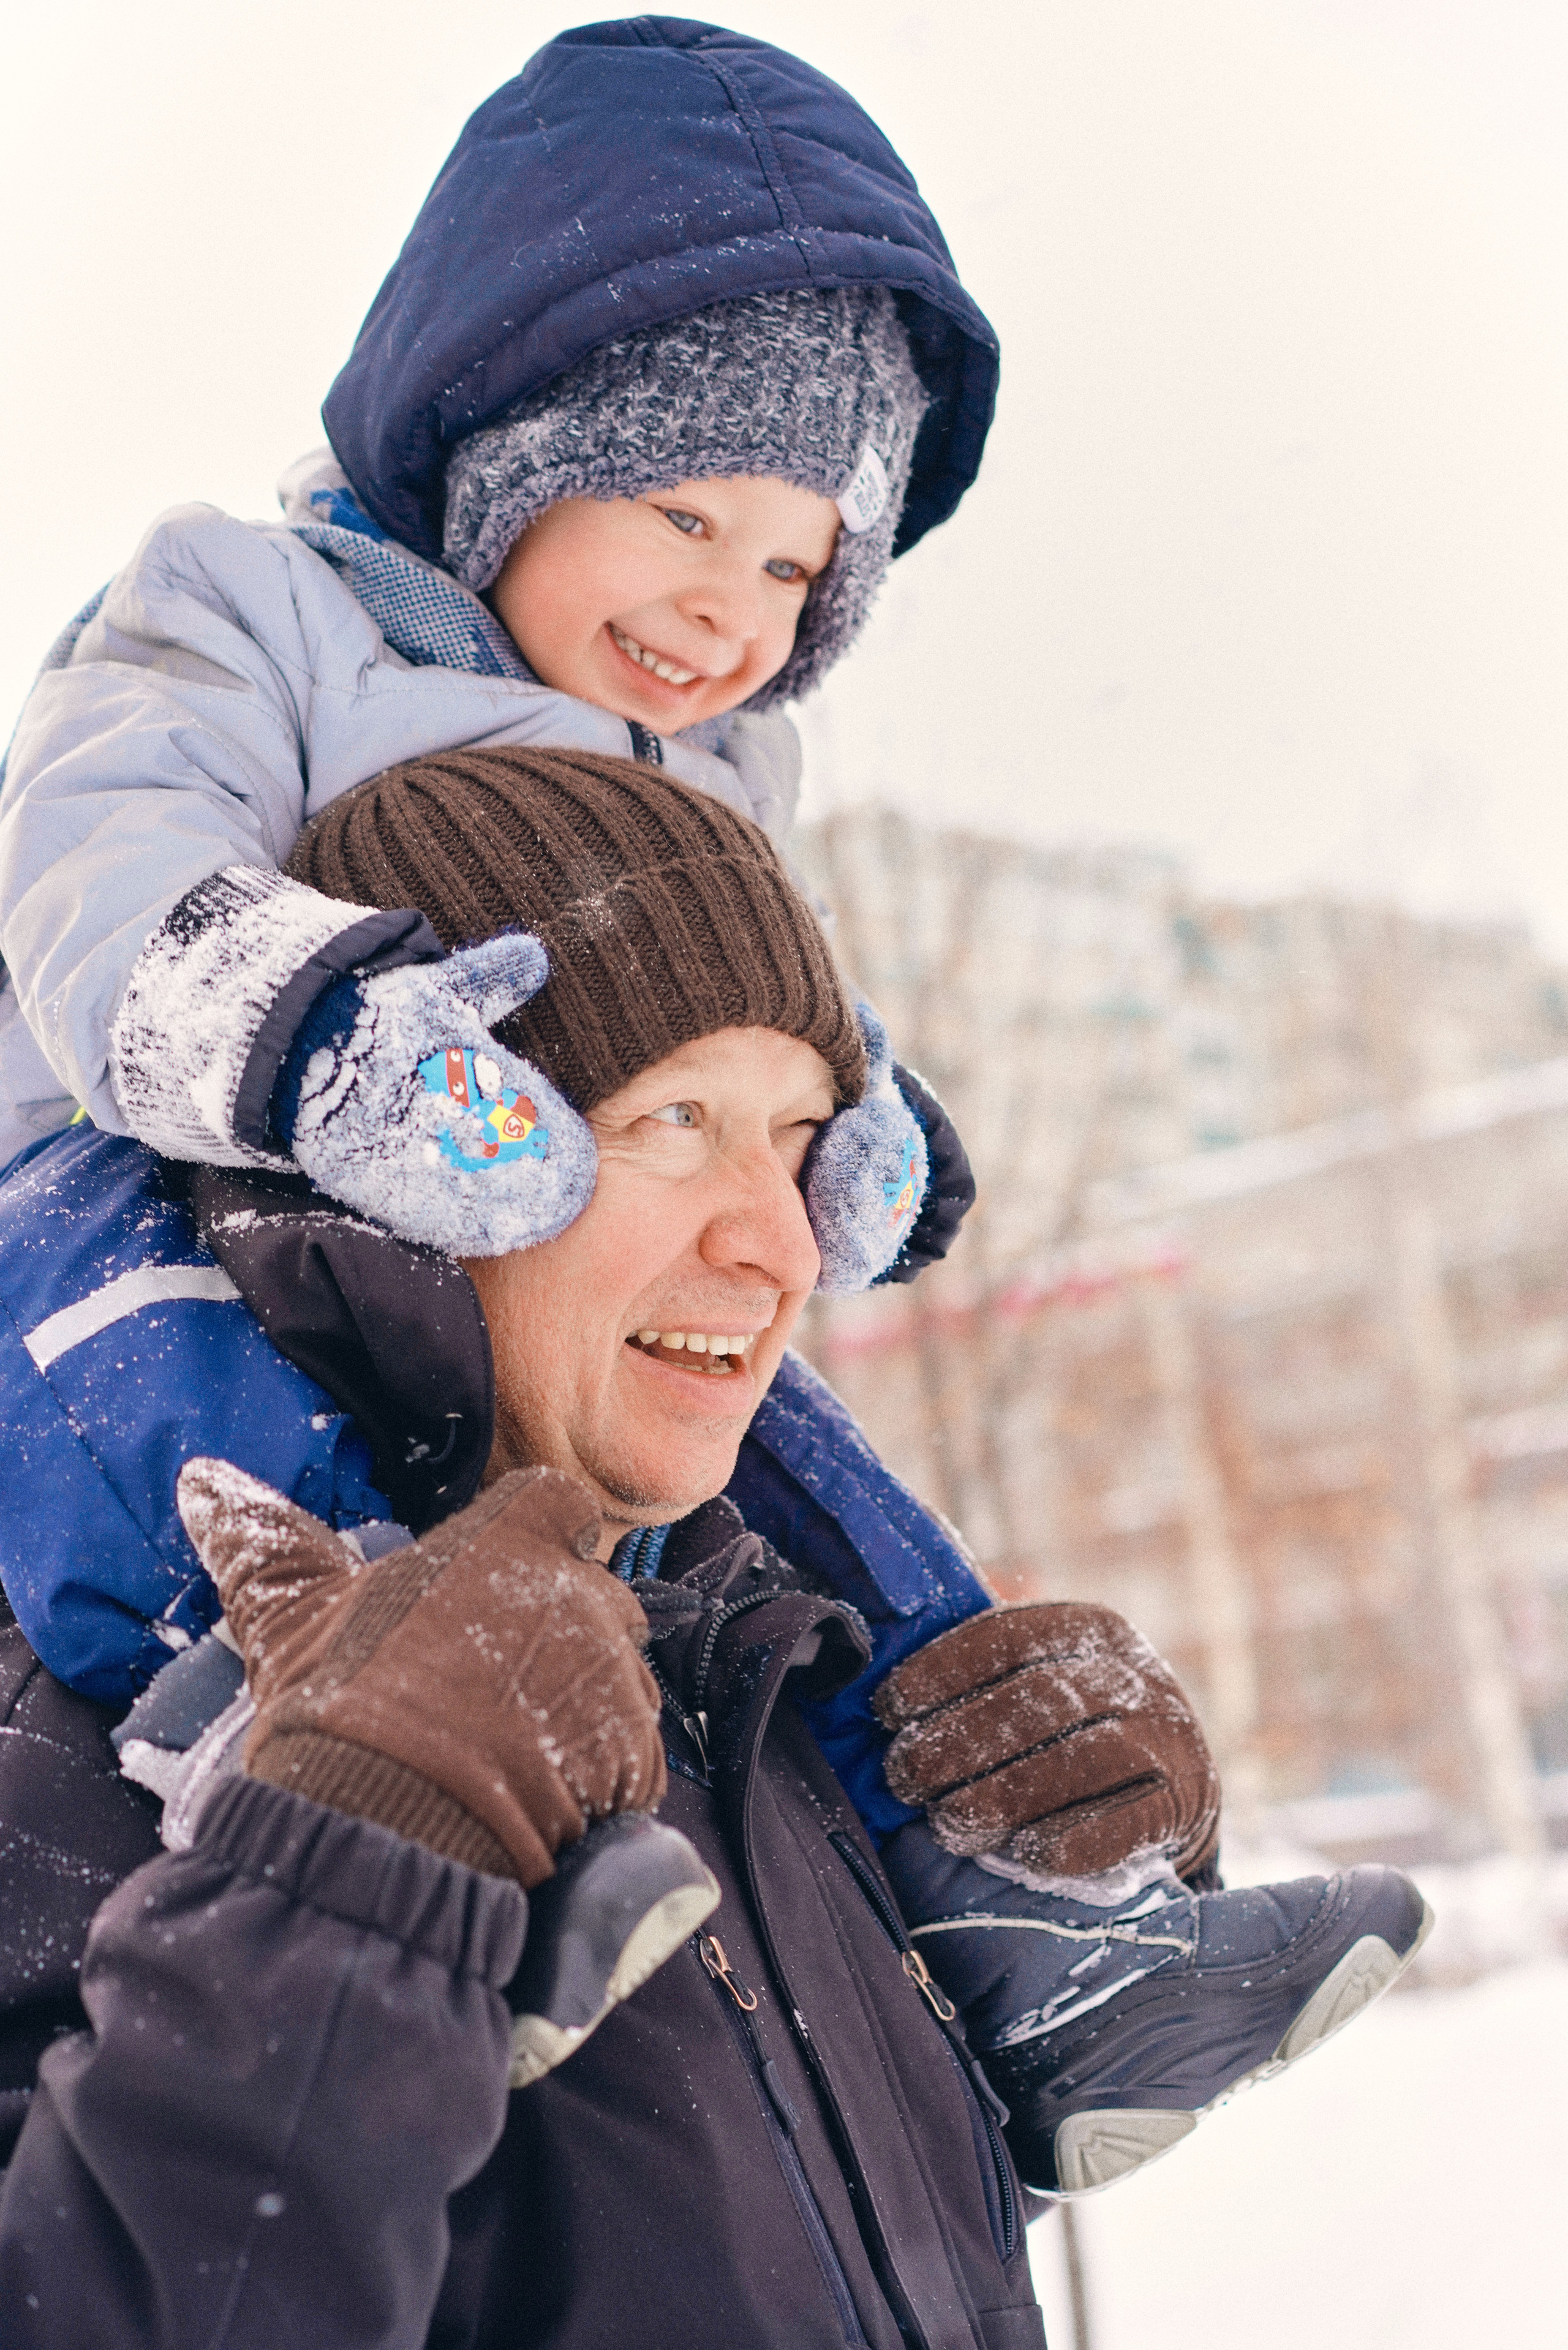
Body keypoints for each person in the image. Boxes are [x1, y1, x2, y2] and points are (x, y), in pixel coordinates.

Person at [0, 756, 1428, 2333]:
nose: (783, 1237)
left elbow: (738, 2225)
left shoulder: (771, 1669)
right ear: (396, 1161)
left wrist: (1070, 1871)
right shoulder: (86, 1713)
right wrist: (345, 1883)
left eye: (803, 1135)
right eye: (674, 1119)